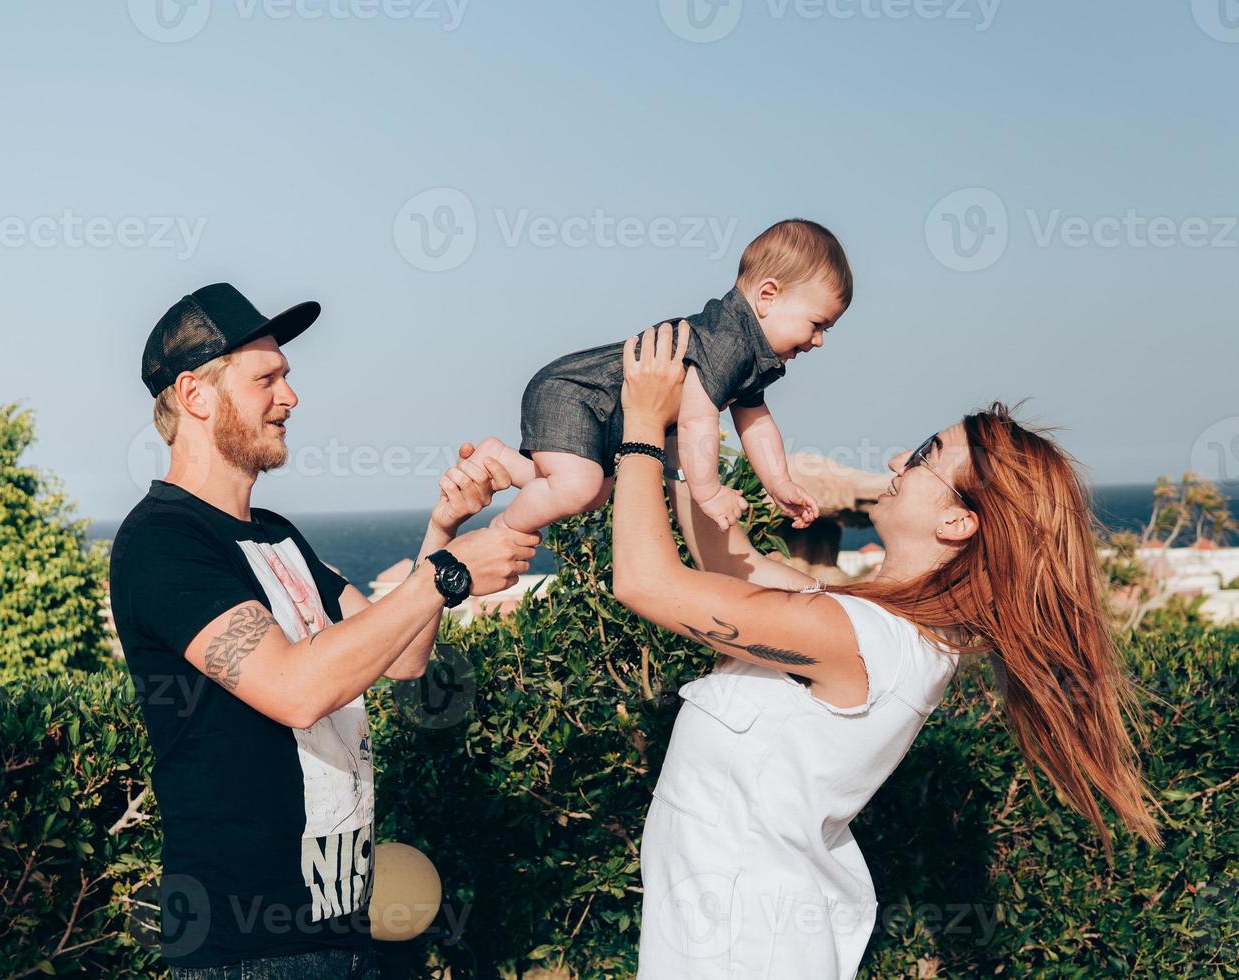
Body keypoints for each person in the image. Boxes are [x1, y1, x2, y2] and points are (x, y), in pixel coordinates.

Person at [607, 323, 1160, 978]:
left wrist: (640, 427)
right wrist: (683, 436)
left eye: (926, 454)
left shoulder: (864, 638)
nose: (899, 459)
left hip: (740, 948)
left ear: (957, 522)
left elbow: (645, 581)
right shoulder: (882, 625)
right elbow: (734, 564)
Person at [108, 283, 539, 978]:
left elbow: (400, 657)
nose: (290, 397)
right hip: (250, 954)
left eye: (288, 376)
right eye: (267, 379)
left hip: (342, 929)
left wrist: (442, 535)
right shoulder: (164, 544)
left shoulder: (278, 537)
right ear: (194, 396)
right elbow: (295, 689)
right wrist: (447, 574)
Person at [470, 219, 852, 536]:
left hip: (599, 408)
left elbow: (756, 422)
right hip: (577, 394)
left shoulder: (750, 351)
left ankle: (497, 460)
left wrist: (779, 484)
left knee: (595, 491)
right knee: (579, 486)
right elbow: (697, 419)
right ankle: (503, 532)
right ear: (768, 296)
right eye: (817, 324)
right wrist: (708, 492)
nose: (817, 341)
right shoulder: (728, 339)